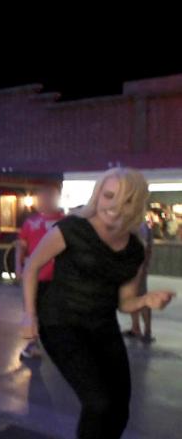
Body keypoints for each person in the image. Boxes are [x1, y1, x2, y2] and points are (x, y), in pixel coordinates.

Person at [21, 168, 175, 439]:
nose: (114, 206)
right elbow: (32, 267)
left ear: (137, 205)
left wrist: (146, 300)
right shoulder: (72, 228)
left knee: (119, 409)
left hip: (102, 326)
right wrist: (30, 315)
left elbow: (125, 303)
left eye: (126, 200)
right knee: (98, 402)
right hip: (61, 324)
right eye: (109, 196)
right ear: (98, 195)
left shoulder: (134, 249)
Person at [16, 183, 64, 359]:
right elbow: (21, 246)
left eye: (50, 196)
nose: (46, 200)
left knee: (56, 311)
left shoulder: (66, 222)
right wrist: (18, 267)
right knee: (32, 309)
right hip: (36, 277)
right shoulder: (31, 223)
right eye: (42, 197)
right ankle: (33, 343)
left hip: (59, 278)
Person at [124, 220, 155, 342]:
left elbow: (144, 248)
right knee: (132, 296)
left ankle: (147, 331)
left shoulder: (139, 225)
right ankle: (136, 327)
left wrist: (142, 268)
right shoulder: (135, 223)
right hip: (132, 266)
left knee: (141, 296)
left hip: (137, 267)